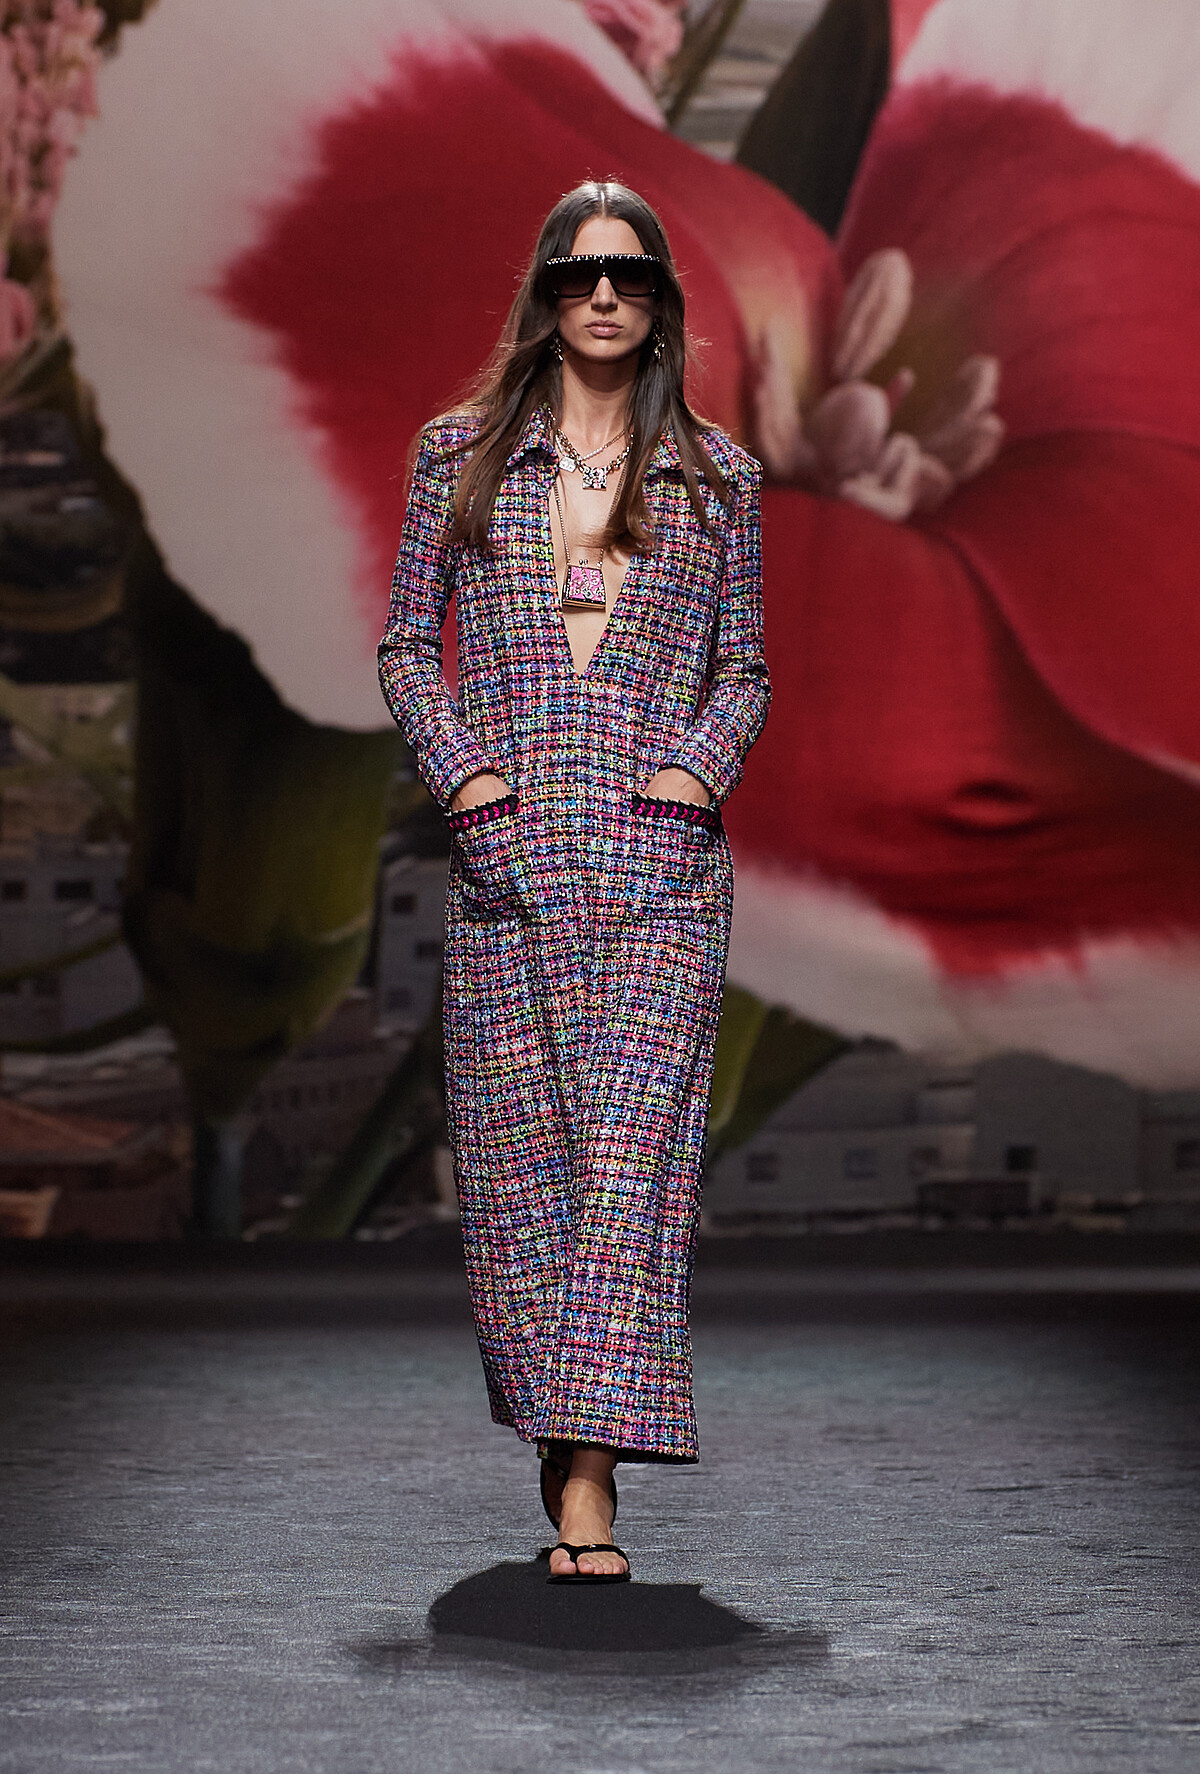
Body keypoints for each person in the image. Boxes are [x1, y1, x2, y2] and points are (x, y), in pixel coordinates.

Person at [378, 179, 769, 1583]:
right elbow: (406, 648)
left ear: (661, 300)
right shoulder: (457, 457)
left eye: (630, 274)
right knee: (522, 1177)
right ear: (544, 294)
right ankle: (567, 1425)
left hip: (660, 870)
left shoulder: (720, 478)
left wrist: (694, 776)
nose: (604, 295)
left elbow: (746, 670)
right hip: (512, 859)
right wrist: (467, 782)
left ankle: (589, 1489)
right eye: (578, 273)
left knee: (629, 1170)